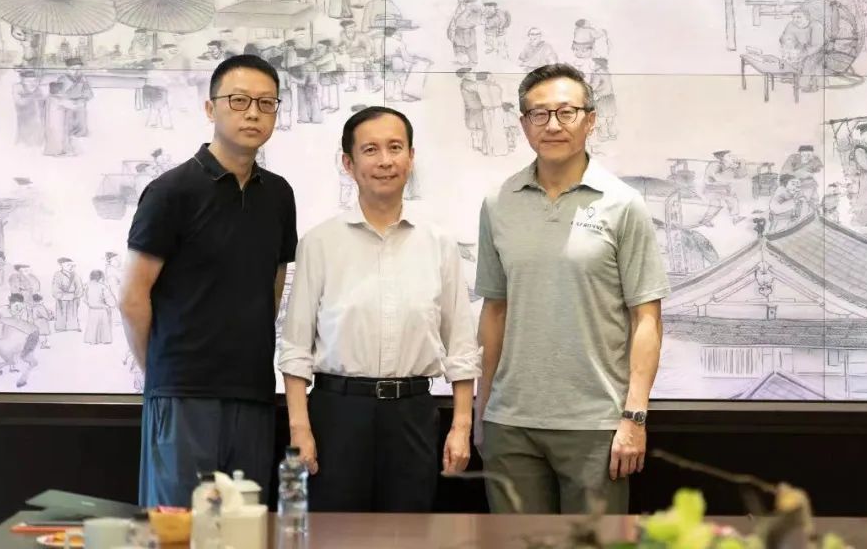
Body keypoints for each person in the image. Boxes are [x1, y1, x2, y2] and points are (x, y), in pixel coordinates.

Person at [475, 64, 669, 514]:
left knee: (593, 544)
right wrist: (482, 412)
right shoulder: (498, 204)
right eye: (539, 114)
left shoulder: (623, 205)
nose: (553, 125)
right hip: (510, 424)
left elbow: (647, 318)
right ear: (523, 123)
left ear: (591, 119)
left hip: (596, 425)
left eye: (566, 112)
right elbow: (494, 311)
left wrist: (634, 416)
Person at [278, 106, 480, 512]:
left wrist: (461, 426)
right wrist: (300, 428)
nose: (385, 161)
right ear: (348, 164)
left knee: (409, 533)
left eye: (395, 148)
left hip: (412, 414)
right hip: (338, 413)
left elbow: (460, 345)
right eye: (370, 150)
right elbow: (296, 346)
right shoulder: (320, 243)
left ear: (411, 157)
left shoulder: (438, 243)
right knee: (336, 534)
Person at [121, 54, 298, 507]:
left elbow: (273, 285)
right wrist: (161, 373)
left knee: (244, 527)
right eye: (239, 100)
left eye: (266, 103)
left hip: (252, 390)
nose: (253, 113)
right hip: (183, 393)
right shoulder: (171, 191)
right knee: (179, 527)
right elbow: (133, 298)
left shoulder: (279, 195)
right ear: (210, 108)